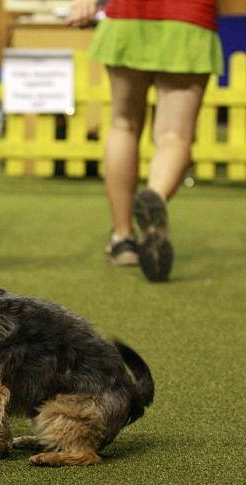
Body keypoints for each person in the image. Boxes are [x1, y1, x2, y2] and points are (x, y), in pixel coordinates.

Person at [68, 0, 223, 281]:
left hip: (128, 14)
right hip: (189, 16)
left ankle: (123, 239)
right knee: (174, 135)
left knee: (123, 125)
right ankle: (156, 196)